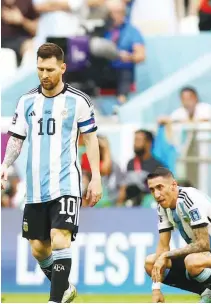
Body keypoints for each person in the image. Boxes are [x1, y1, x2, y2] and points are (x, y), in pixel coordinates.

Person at [1, 43, 102, 303]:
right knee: (38, 249)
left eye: (49, 69)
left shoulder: (79, 101)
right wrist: (4, 165)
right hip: (35, 187)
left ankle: (55, 299)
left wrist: (96, 178)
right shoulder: (26, 101)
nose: (44, 74)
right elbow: (16, 139)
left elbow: (91, 140)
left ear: (62, 68)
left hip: (65, 182)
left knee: (60, 238)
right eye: (39, 69)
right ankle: (65, 288)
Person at [145, 167, 211, 303]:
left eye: (160, 187)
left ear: (173, 185)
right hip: (204, 258)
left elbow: (203, 244)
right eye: (152, 190)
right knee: (150, 262)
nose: (156, 194)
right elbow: (163, 246)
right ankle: (209, 293)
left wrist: (166, 255)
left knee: (192, 262)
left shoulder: (190, 199)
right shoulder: (162, 206)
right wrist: (156, 289)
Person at [117, 130, 163, 206]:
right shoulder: (131, 163)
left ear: (148, 143)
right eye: (135, 140)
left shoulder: (158, 166)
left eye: (138, 140)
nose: (135, 144)